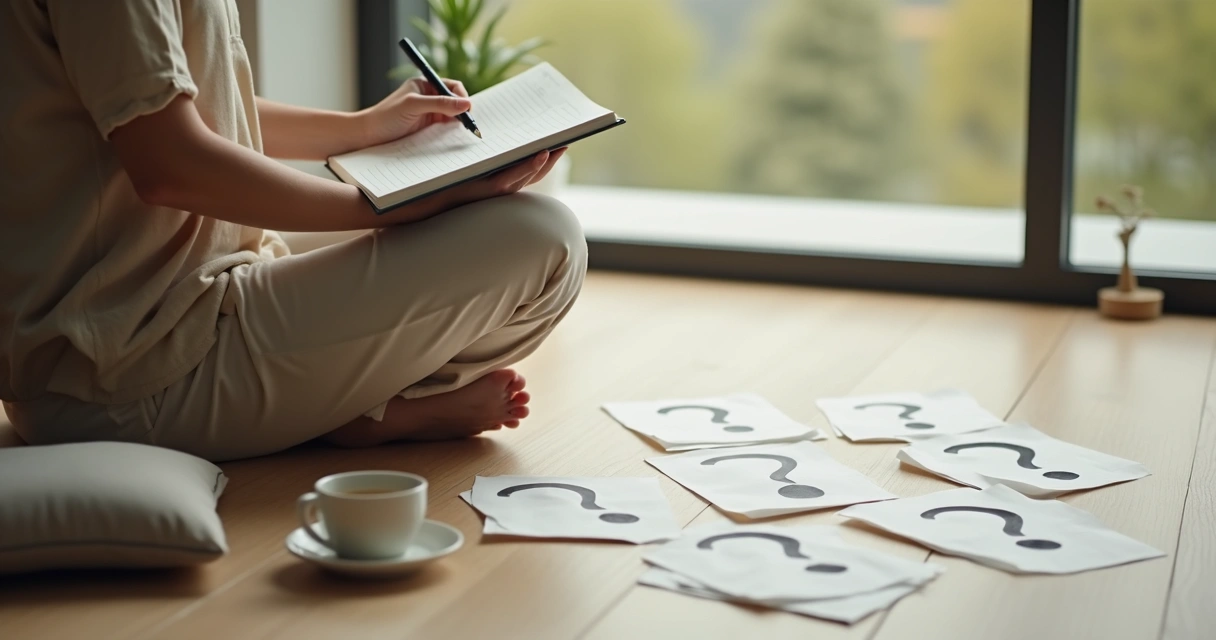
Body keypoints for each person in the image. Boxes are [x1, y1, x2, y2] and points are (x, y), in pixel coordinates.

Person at [0, 0, 586, 462]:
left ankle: (339, 407)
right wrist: (392, 207)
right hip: (120, 365)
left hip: (174, 285)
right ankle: (359, 412)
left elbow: (187, 105)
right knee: (545, 238)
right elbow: (170, 165)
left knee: (491, 226)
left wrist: (363, 128)